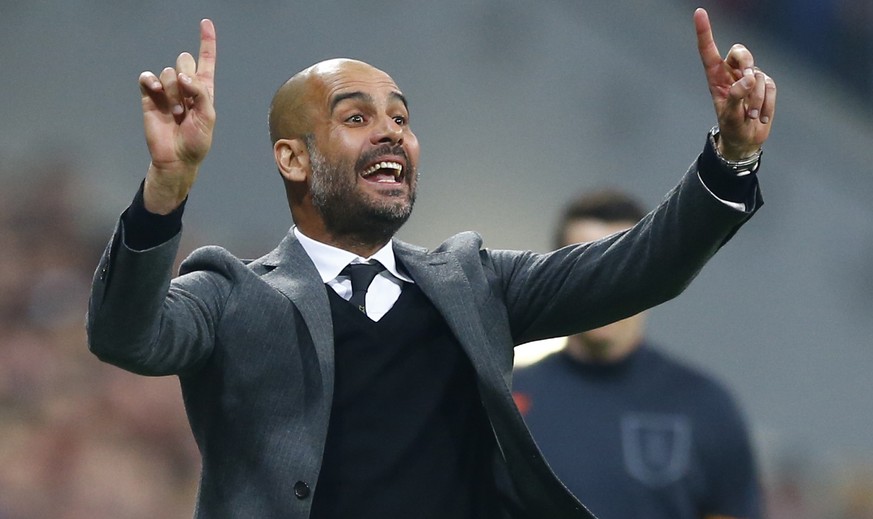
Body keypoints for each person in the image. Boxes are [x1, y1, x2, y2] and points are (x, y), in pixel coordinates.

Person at [86, 8, 776, 519]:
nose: (390, 130)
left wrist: (731, 157)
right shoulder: (231, 292)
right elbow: (126, 334)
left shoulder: (474, 282)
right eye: (356, 118)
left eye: (400, 117)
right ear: (293, 158)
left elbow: (640, 267)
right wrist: (167, 189)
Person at [512, 189, 762, 519]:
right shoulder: (506, 399)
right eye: (584, 267)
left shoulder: (704, 404)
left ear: (651, 274)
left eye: (620, 267)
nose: (603, 287)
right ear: (555, 274)